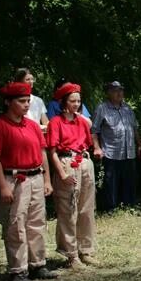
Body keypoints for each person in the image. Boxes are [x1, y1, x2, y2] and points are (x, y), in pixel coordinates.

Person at [0, 82, 56, 281]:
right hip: (14, 179)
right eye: (22, 101)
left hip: (35, 177)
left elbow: (43, 154)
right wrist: (3, 187)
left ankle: (37, 264)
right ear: (8, 102)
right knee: (16, 225)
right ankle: (18, 270)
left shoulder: (33, 125)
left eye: (28, 101)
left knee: (37, 222)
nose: (26, 105)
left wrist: (47, 179)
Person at [46, 82, 97, 268]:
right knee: (68, 209)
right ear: (64, 102)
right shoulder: (56, 122)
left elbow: (89, 141)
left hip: (84, 162)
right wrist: (62, 174)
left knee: (86, 208)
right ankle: (71, 254)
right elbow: (51, 152)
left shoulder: (82, 121)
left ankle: (87, 250)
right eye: (72, 101)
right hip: (66, 162)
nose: (76, 104)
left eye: (79, 101)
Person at [92, 81, 141, 211]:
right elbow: (94, 130)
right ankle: (111, 208)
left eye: (121, 90)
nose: (119, 93)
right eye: (115, 90)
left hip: (128, 150)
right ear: (108, 93)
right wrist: (97, 147)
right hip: (111, 151)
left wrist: (139, 145)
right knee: (111, 182)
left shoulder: (127, 108)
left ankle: (129, 206)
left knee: (129, 180)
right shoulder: (102, 108)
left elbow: (134, 128)